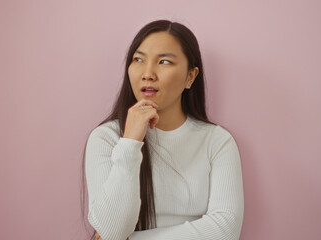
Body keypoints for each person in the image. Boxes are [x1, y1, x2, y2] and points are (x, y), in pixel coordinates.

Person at [83, 19, 244, 240]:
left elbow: (226, 230)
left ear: (191, 76)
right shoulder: (106, 138)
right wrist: (130, 143)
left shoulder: (217, 141)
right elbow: (113, 231)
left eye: (164, 62)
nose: (147, 73)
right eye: (138, 59)